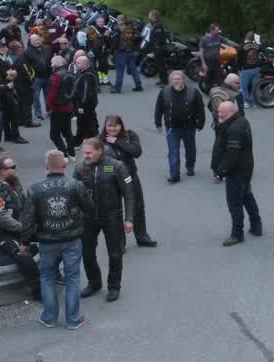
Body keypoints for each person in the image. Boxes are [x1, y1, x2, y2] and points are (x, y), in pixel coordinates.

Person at [24, 150, 91, 329]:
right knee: (72, 278)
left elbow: (28, 218)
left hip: (47, 241)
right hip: (72, 238)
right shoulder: (76, 185)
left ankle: (49, 318)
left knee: (46, 277)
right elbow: (90, 207)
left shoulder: (34, 188)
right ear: (64, 165)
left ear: (47, 166)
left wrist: (25, 242)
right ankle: (73, 319)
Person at [74, 138, 135, 303]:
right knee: (87, 254)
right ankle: (94, 283)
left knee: (114, 254)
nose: (85, 156)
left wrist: (129, 219)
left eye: (89, 152)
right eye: (83, 152)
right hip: (87, 218)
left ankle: (114, 286)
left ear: (99, 150)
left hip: (112, 216)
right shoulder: (80, 168)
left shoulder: (117, 166)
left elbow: (129, 194)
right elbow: (73, 194)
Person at [0, 156, 40, 298]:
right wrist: (24, 229)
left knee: (56, 236)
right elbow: (0, 218)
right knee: (22, 255)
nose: (16, 169)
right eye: (12, 167)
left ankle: (53, 272)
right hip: (1, 232)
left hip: (21, 225)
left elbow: (24, 204)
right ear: (1, 171)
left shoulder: (13, 181)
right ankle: (37, 289)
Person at [102, 115, 157, 247]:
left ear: (121, 126)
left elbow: (136, 152)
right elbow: (101, 164)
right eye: (109, 126)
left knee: (138, 207)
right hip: (111, 180)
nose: (112, 128)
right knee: (116, 211)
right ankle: (119, 243)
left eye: (115, 126)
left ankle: (142, 236)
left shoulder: (130, 136)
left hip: (131, 177)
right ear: (105, 126)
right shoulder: (100, 140)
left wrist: (117, 142)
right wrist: (115, 170)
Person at [212, 101, 262, 246]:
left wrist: (220, 173)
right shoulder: (240, 121)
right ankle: (256, 226)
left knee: (234, 203)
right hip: (244, 169)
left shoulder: (235, 128)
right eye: (218, 111)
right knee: (247, 196)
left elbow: (232, 155)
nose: (218, 114)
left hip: (237, 171)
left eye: (221, 112)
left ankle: (237, 234)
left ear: (231, 112)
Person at [154, 70, 206, 182]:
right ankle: (174, 175)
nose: (176, 81)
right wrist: (158, 123)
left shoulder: (194, 92)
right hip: (172, 128)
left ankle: (190, 166)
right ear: (170, 81)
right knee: (173, 151)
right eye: (174, 79)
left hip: (189, 127)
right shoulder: (164, 92)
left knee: (190, 149)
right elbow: (158, 108)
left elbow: (200, 109)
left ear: (183, 80)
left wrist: (200, 123)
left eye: (179, 79)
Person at [46, 56, 77, 158]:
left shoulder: (56, 76)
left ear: (57, 63)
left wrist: (48, 108)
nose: (51, 65)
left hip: (58, 108)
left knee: (54, 134)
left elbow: (52, 94)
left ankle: (63, 154)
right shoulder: (70, 73)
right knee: (67, 132)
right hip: (68, 107)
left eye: (52, 63)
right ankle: (72, 153)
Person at [70, 55, 101, 148]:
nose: (76, 64)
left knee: (84, 122)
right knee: (88, 121)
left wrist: (81, 106)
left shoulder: (87, 76)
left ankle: (85, 142)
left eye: (78, 63)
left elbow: (85, 93)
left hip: (85, 105)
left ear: (86, 64)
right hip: (89, 104)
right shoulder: (85, 73)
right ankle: (84, 139)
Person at [24, 33, 54, 122]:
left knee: (48, 96)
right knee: (35, 97)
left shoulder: (48, 48)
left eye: (38, 39)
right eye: (35, 40)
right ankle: (38, 113)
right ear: (31, 42)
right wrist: (31, 77)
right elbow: (26, 66)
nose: (37, 41)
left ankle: (49, 111)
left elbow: (52, 60)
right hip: (36, 78)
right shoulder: (27, 52)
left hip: (48, 76)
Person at [112, 13, 143, 93]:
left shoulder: (117, 28)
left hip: (121, 53)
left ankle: (117, 88)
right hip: (131, 52)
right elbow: (138, 38)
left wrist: (113, 50)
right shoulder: (131, 28)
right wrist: (135, 48)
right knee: (133, 70)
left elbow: (115, 42)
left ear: (118, 20)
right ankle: (138, 85)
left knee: (119, 71)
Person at [0, 66, 28, 145]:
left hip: (6, 91)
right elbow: (6, 75)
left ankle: (8, 135)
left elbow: (11, 71)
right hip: (6, 91)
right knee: (14, 114)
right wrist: (10, 74)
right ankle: (15, 136)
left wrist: (11, 73)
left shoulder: (1, 61)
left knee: (6, 116)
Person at [199, 23, 232, 88]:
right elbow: (201, 52)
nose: (218, 32)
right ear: (212, 30)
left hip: (217, 63)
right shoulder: (204, 39)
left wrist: (239, 46)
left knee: (219, 79)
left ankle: (218, 93)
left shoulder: (219, 38)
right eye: (217, 30)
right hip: (207, 63)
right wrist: (203, 64)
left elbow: (228, 42)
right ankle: (209, 93)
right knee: (208, 80)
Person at [142, 10, 169, 87]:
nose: (148, 17)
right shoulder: (155, 25)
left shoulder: (158, 26)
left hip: (159, 48)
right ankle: (162, 80)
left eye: (150, 16)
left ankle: (164, 81)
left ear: (154, 17)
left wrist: (154, 44)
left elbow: (159, 39)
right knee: (159, 65)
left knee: (161, 65)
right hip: (157, 48)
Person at [86, 14, 114, 84]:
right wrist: (104, 36)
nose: (102, 23)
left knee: (104, 66)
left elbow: (109, 42)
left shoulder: (106, 29)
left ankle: (105, 80)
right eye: (100, 22)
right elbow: (95, 41)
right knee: (94, 67)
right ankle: (97, 81)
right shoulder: (91, 29)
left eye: (103, 22)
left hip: (104, 52)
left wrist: (108, 37)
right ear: (96, 22)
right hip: (93, 51)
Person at [239, 31, 262, 106]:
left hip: (246, 69)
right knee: (255, 86)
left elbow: (239, 59)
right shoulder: (257, 46)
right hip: (256, 68)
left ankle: (246, 102)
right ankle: (256, 102)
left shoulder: (242, 46)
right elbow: (262, 50)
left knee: (244, 86)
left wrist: (239, 68)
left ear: (246, 37)